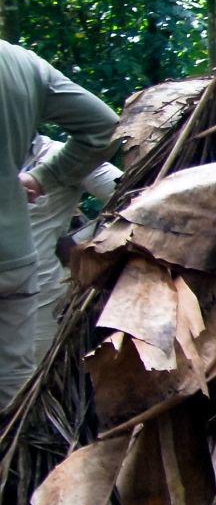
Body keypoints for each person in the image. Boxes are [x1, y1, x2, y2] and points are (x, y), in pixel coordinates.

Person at [1, 43, 117, 406]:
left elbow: (128, 194)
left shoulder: (52, 154)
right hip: (16, 270)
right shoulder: (19, 63)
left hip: (39, 292)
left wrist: (84, 244)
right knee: (14, 382)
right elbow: (104, 125)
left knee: (27, 382)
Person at [24, 132, 120, 365]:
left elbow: (135, 195)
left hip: (36, 303)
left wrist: (84, 244)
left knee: (27, 381)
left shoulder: (60, 156)